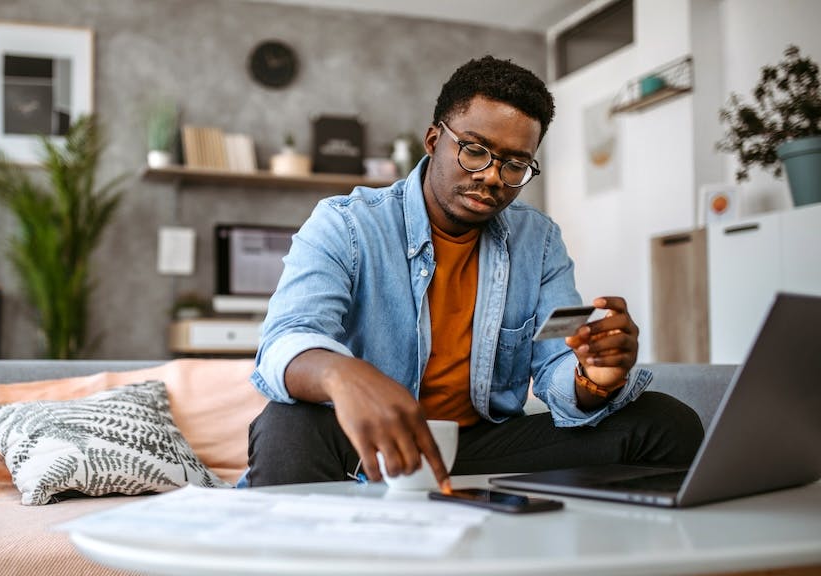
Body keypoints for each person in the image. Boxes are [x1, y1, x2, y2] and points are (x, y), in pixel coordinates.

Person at [245, 56, 705, 489]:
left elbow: (554, 366)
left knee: (665, 423)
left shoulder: (538, 241)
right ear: (433, 141)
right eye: (474, 151)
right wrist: (340, 375)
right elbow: (286, 338)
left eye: (515, 163)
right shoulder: (347, 223)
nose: (491, 176)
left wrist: (593, 379)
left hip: (476, 449)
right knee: (286, 423)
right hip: (366, 446)